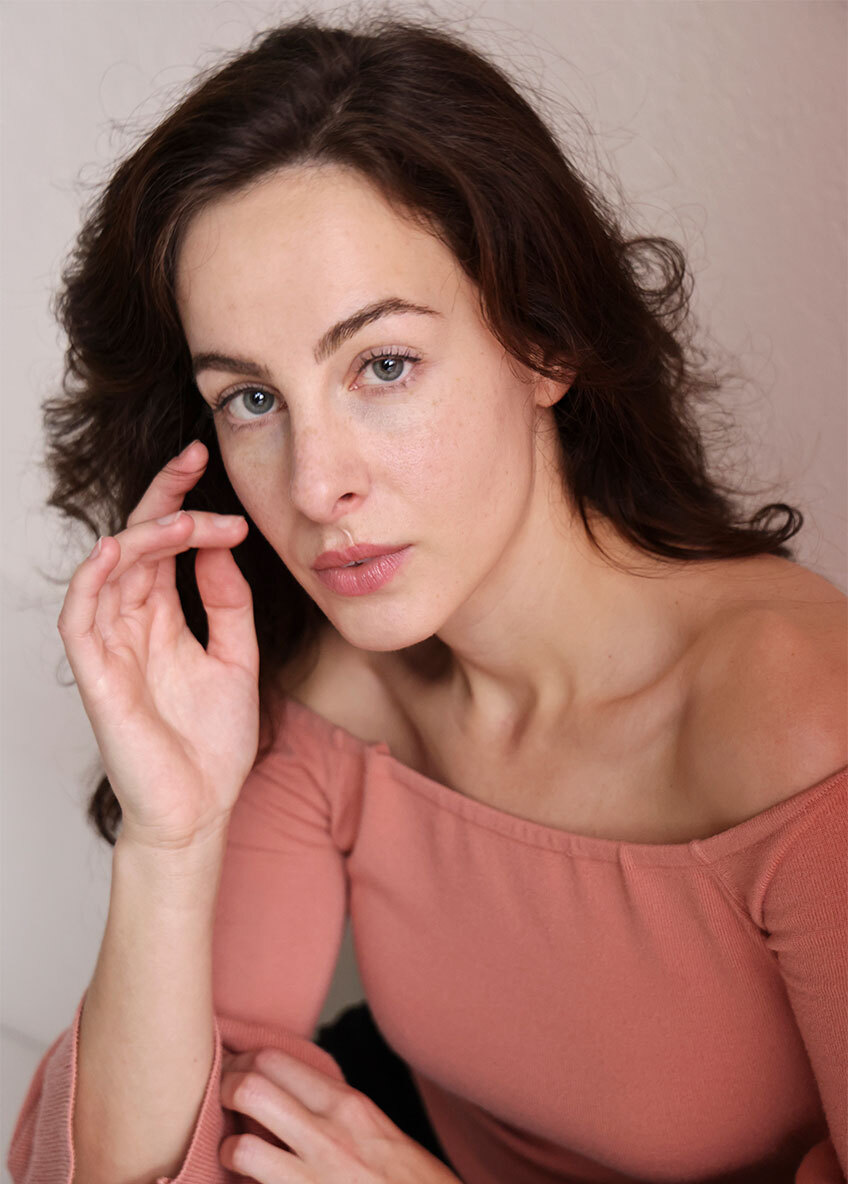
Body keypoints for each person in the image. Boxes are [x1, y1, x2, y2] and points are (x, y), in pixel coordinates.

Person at [7, 10, 846, 1184]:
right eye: (251, 398)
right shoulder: (337, 689)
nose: (314, 485)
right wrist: (169, 838)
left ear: (543, 342)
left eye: (384, 365)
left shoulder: (803, 721)